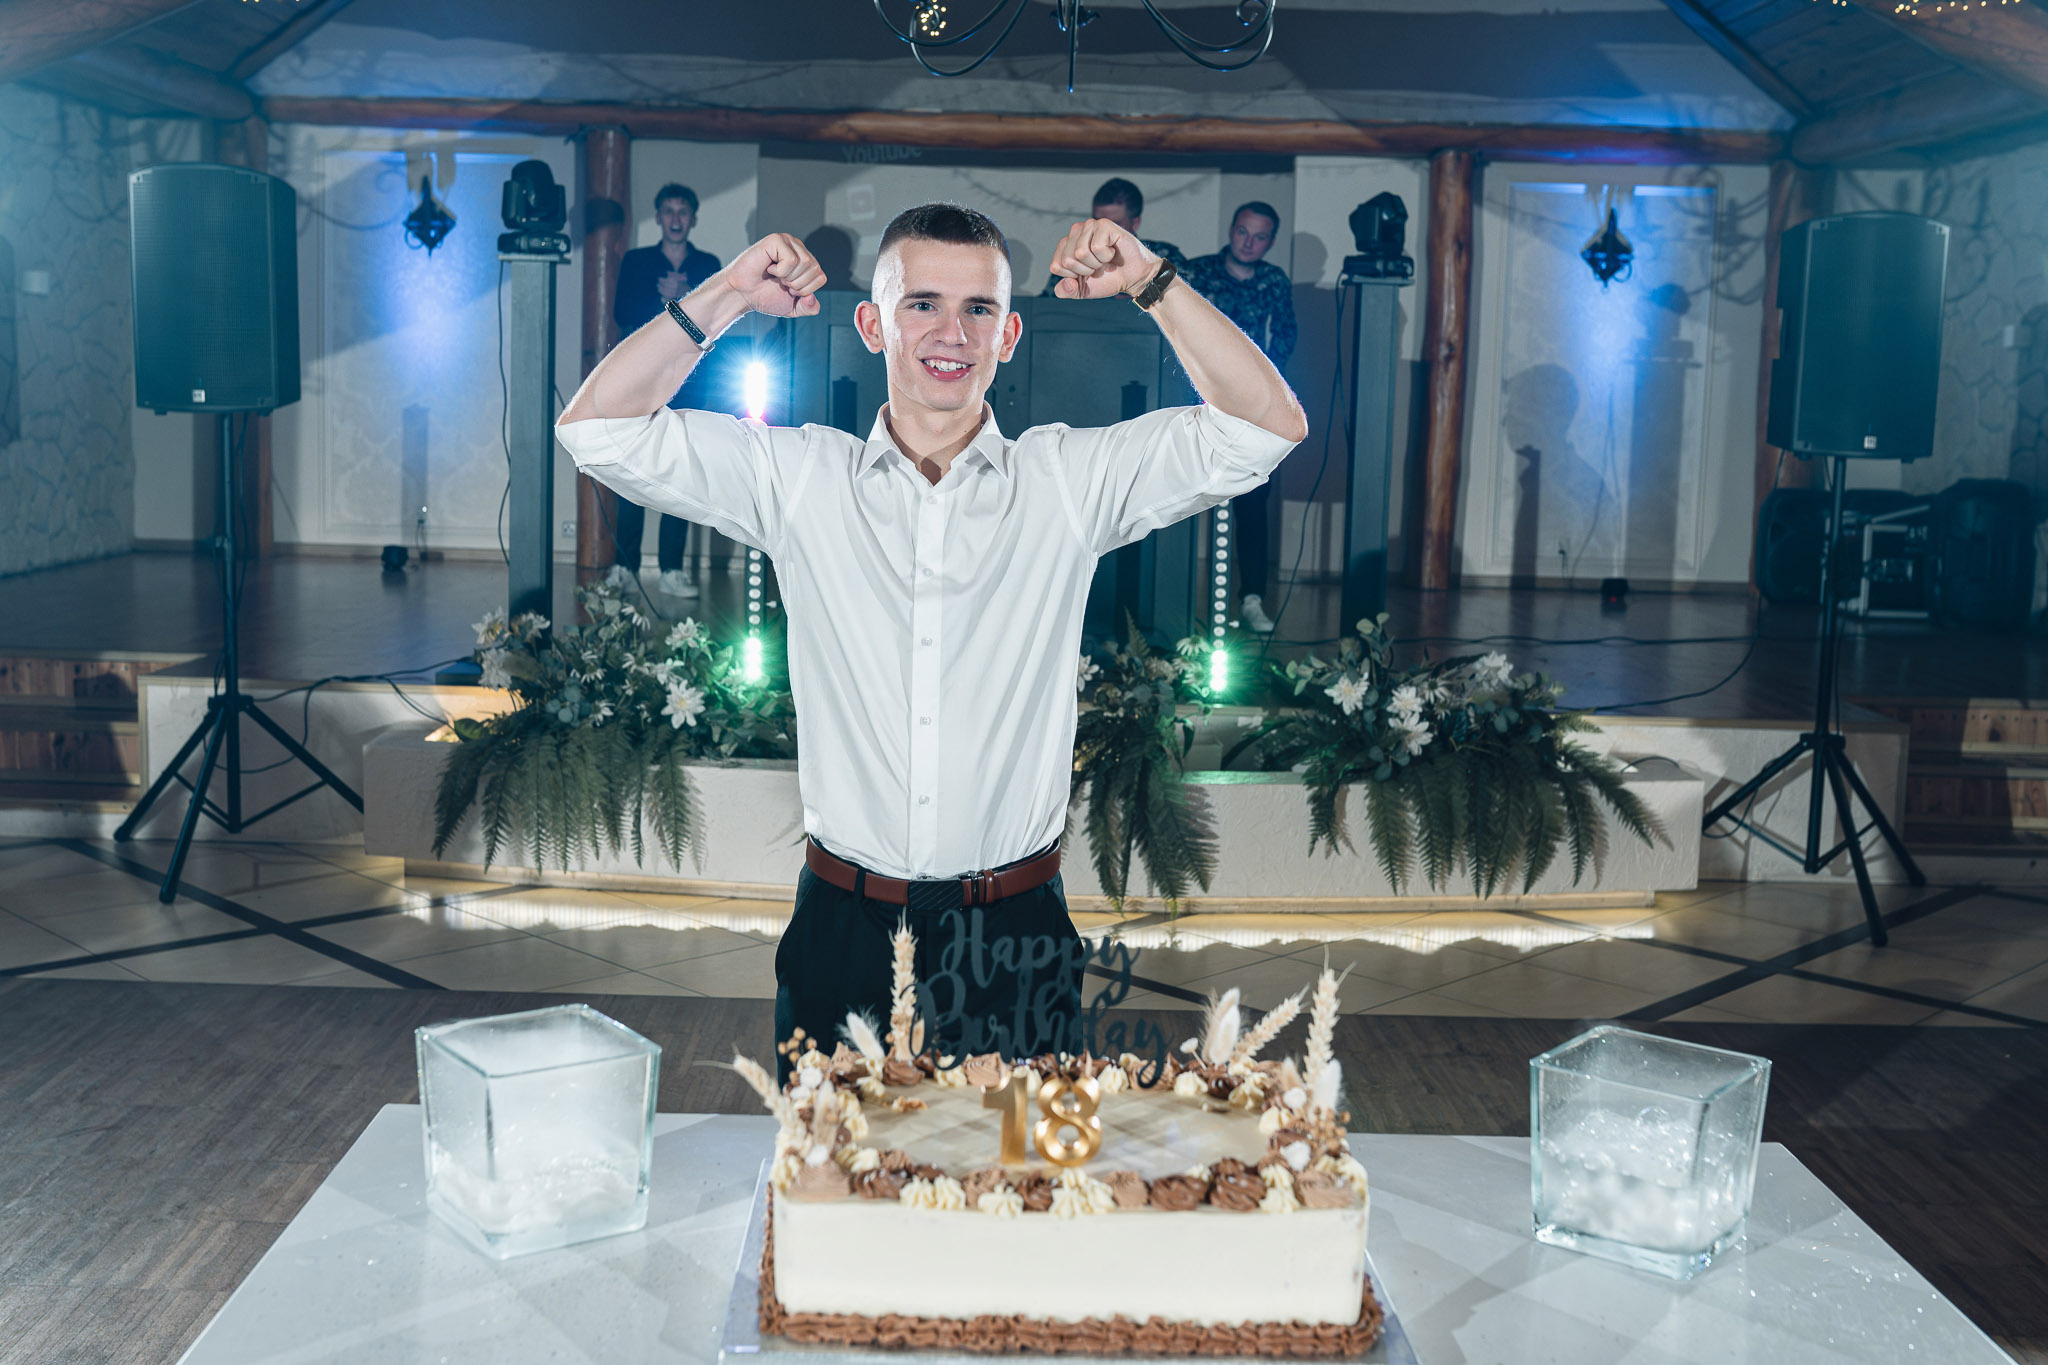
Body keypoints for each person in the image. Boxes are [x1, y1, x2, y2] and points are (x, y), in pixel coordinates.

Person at [556, 202, 1304, 1071]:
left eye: (978, 308)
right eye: (922, 304)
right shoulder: (801, 478)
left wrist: (1151, 279)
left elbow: (1267, 425)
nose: (952, 333)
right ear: (872, 325)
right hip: (843, 928)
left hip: (1015, 935)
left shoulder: (1065, 481)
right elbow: (597, 430)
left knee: (1019, 1165)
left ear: (1009, 335)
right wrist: (726, 292)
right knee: (827, 1161)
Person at [1183, 201, 1297, 634]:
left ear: (1270, 241)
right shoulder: (1199, 272)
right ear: (1232, 230)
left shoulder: (1273, 281)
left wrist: (1260, 393)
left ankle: (1252, 598)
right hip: (1195, 400)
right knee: (1179, 494)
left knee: (1251, 503)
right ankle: (1170, 601)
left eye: (1259, 236)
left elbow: (1285, 340)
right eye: (1243, 232)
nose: (1249, 243)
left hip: (1253, 409)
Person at [610, 183, 724, 598]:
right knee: (633, 467)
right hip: (641, 377)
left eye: (683, 211)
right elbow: (621, 314)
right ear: (658, 217)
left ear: (693, 219)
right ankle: (624, 566)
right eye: (669, 211)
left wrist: (682, 303)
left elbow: (716, 321)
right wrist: (659, 299)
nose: (676, 219)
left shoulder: (708, 264)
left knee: (679, 471)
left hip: (689, 381)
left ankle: (672, 569)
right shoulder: (637, 261)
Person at [1040, 178, 1185, 296]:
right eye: (1097, 221)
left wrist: (1141, 283)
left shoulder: (1163, 255)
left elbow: (1187, 297)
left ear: (1135, 223)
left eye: (1115, 224)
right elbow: (1044, 306)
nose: (1104, 229)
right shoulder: (1078, 259)